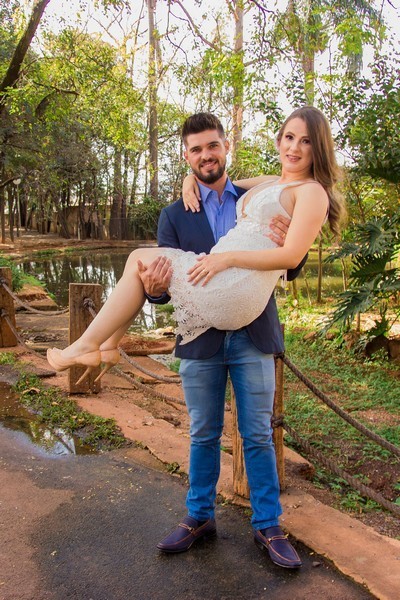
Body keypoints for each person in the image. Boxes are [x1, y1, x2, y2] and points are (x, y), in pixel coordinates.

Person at [47, 107, 344, 569]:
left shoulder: (282, 193)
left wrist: (237, 255)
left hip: (251, 327)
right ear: (187, 156)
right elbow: (158, 293)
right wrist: (158, 285)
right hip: (203, 330)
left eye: (305, 141)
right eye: (289, 137)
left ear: (227, 147)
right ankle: (199, 517)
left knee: (258, 434)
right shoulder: (185, 209)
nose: (294, 147)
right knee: (203, 431)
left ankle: (268, 526)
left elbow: (292, 259)